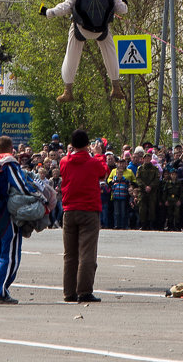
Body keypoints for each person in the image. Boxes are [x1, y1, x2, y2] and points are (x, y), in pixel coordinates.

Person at [42, 0, 129, 103]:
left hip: (81, 29)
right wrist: (124, 3)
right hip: (102, 30)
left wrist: (48, 12)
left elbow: (65, 7)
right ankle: (116, 86)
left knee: (71, 57)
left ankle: (68, 90)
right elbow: (122, 10)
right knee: (111, 54)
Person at [59, 130, 109, 303]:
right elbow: (103, 173)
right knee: (87, 253)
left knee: (70, 254)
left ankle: (69, 292)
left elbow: (66, 166)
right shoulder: (92, 161)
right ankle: (84, 290)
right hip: (88, 210)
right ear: (88, 144)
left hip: (69, 210)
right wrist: (99, 155)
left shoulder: (64, 161)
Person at [0, 135, 29, 305]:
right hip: (6, 213)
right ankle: (0, 291)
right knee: (9, 255)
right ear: (11, 148)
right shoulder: (9, 163)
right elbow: (21, 185)